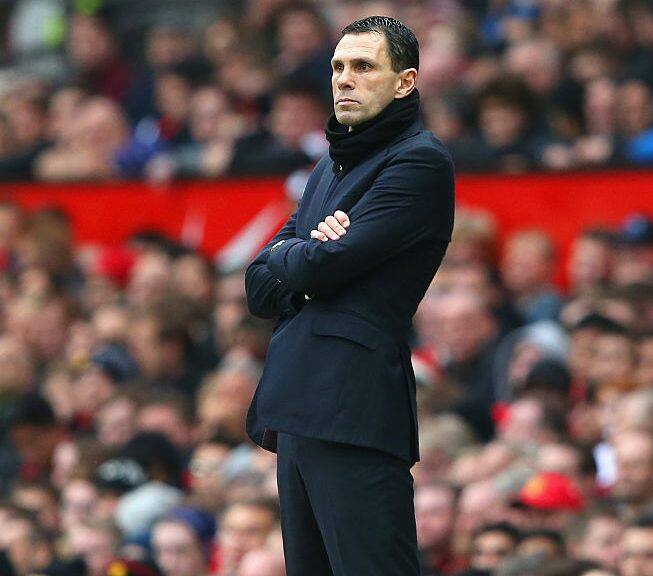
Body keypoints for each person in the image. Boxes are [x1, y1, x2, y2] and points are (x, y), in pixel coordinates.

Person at [244, 15, 454, 576]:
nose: (344, 79)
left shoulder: (418, 161)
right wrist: (300, 253)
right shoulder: (327, 168)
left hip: (353, 404)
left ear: (404, 81)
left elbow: (318, 265)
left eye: (363, 66)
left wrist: (296, 253)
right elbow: (258, 285)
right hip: (297, 404)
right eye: (338, 67)